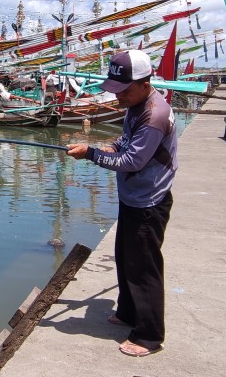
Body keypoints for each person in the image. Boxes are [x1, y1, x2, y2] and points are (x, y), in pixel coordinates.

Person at [66, 49, 177, 357]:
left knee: (144, 268)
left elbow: (131, 160)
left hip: (149, 202)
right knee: (126, 257)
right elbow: (123, 142)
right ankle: (128, 312)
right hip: (133, 198)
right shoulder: (136, 105)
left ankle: (149, 335)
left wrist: (90, 153)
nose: (119, 96)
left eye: (124, 90)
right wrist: (104, 146)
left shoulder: (154, 115)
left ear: (145, 83)